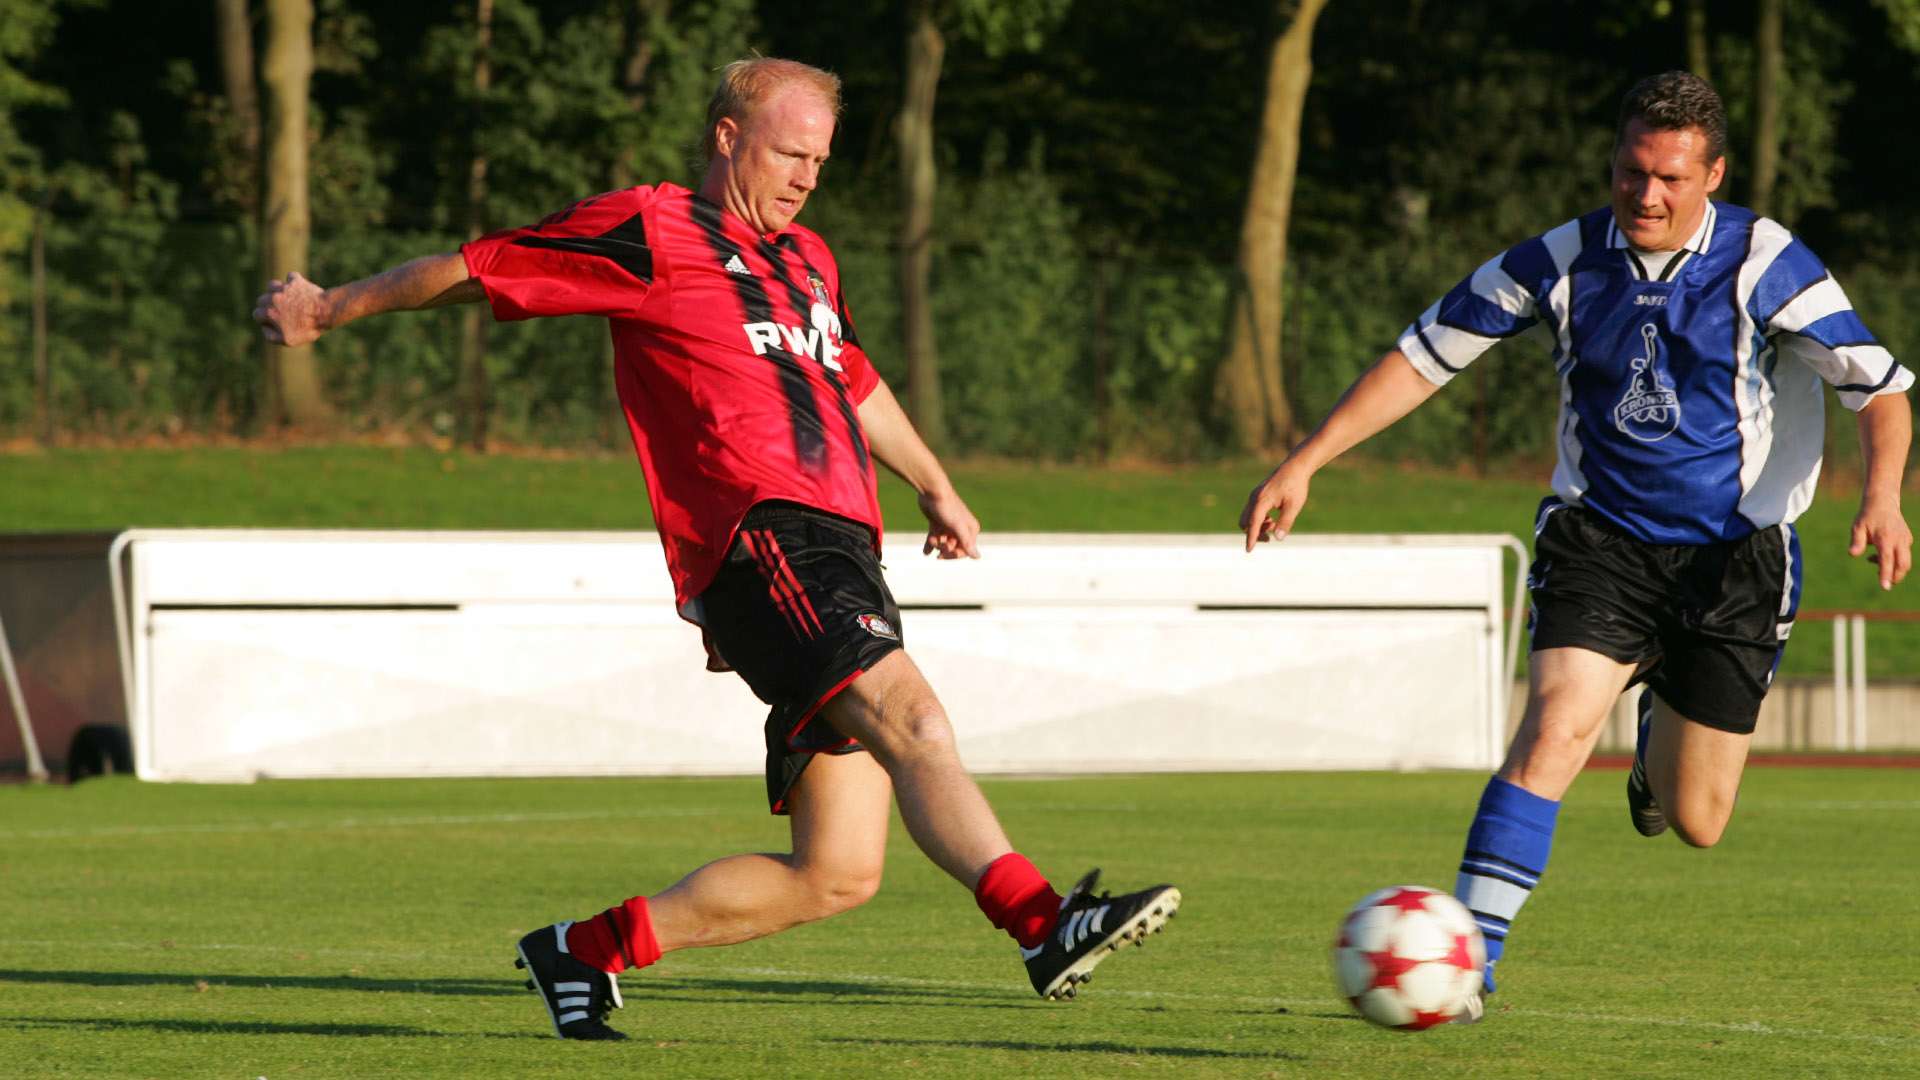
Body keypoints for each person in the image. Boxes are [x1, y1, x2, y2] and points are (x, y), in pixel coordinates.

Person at [254, 57, 1179, 1041]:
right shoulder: (650, 227)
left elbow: (852, 379)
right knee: (919, 723)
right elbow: (475, 268)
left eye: (820, 160)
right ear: (728, 137)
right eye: (790, 152)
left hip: (841, 552)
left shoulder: (811, 259)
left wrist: (934, 480)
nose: (807, 176)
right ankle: (1044, 924)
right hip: (766, 539)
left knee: (836, 873)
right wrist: (329, 307)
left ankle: (584, 949)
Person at [1239, 70, 1911, 1017]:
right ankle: (1472, 966)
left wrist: (1881, 498)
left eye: (1671, 179)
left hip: (1736, 560)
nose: (1646, 194)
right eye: (1632, 171)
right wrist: (1306, 460)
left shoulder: (1768, 262)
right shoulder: (1558, 259)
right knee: (1553, 731)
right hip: (1602, 541)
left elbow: (1880, 387)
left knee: (1699, 821)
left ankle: (1653, 743)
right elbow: (1424, 355)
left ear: (1711, 175)